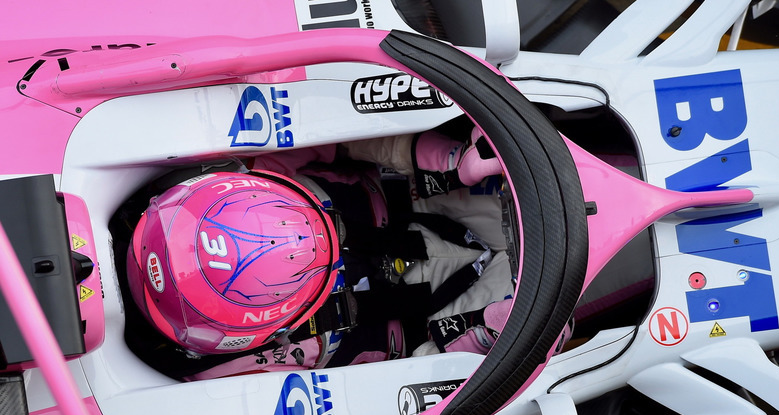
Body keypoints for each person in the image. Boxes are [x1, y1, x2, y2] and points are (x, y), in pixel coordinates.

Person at [126, 127, 519, 379]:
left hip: (422, 191)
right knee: (545, 332)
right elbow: (403, 390)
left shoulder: (241, 172)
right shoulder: (234, 373)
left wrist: (449, 161)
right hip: (443, 323)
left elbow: (339, 134)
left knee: (517, 163)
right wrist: (480, 337)